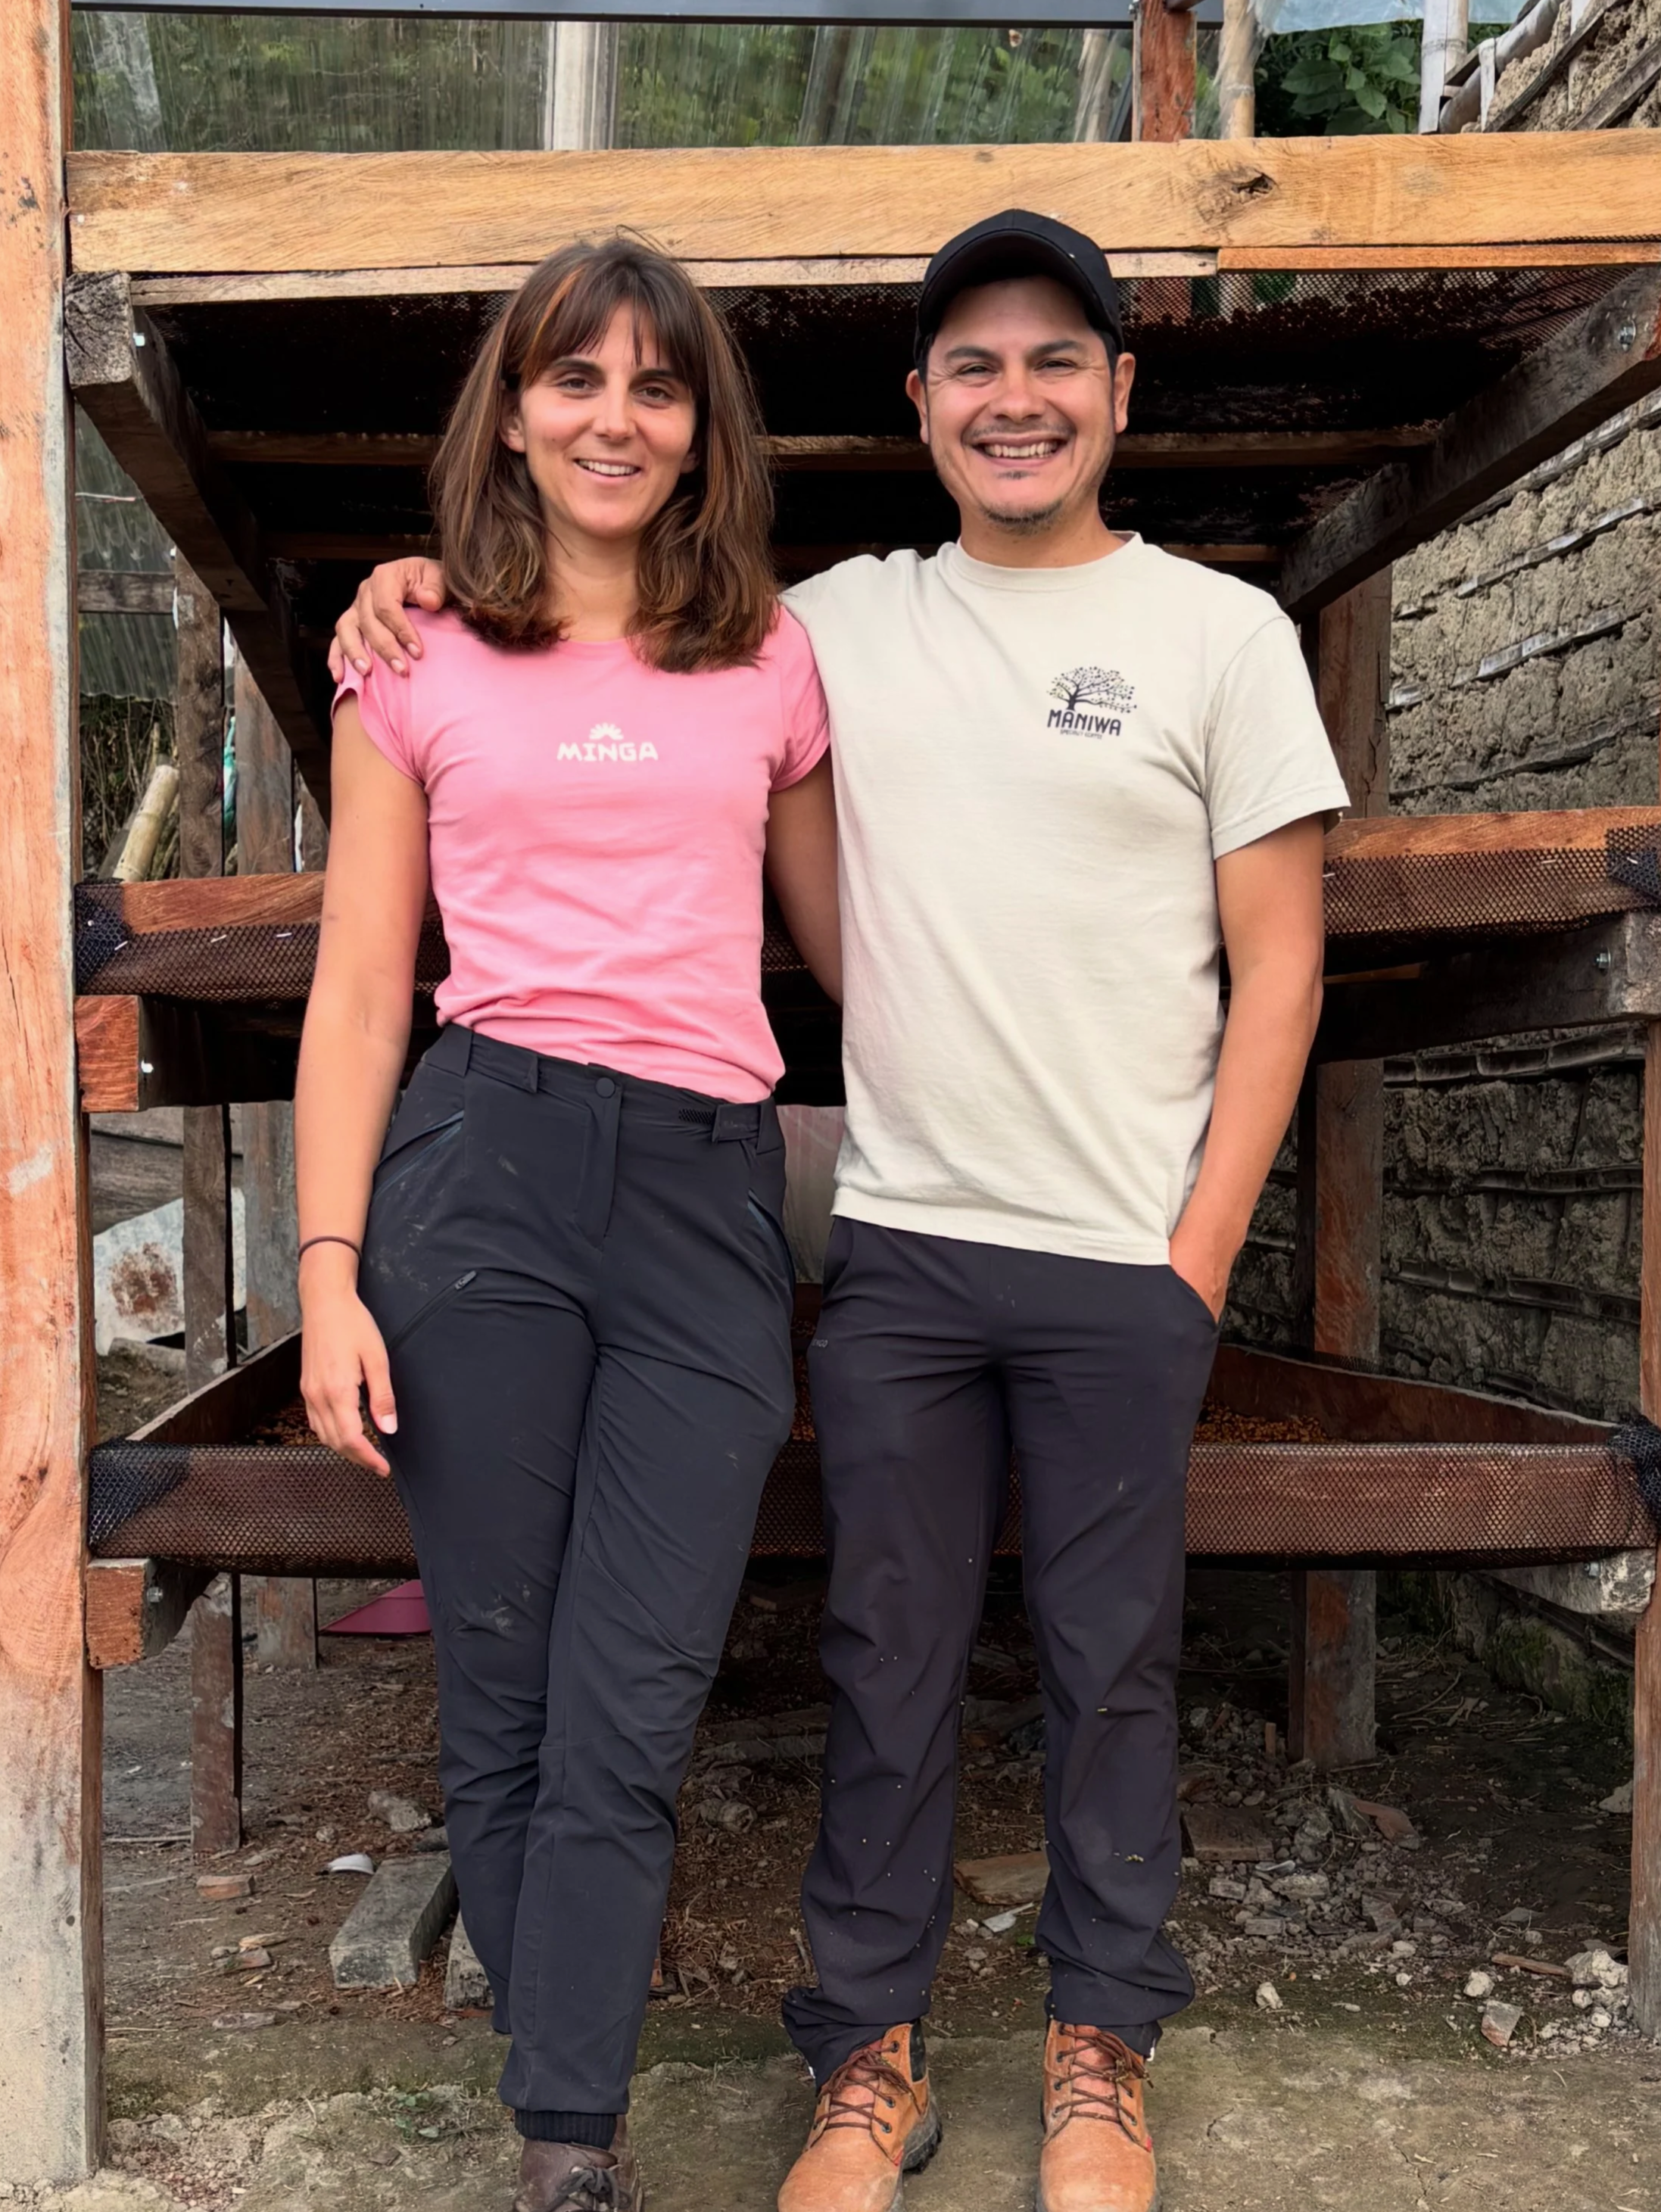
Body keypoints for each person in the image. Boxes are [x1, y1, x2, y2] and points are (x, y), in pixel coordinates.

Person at [333, 210, 1349, 2212]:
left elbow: (1255, 964)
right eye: (973, 362)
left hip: (1038, 1234)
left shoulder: (1159, 639)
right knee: (834, 1661)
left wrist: (1199, 1256)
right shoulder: (803, 625)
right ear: (919, 404)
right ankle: (758, 2092)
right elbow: (436, 880)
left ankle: (1096, 2049)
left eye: (1059, 359)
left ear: (1120, 393)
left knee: (1079, 1659)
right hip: (752, 1217)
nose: (1017, 396)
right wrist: (416, 585)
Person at [298, 235, 838, 2212]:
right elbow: (361, 986)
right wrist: (330, 1272)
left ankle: (558, 2094)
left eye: (658, 384)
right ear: (513, 409)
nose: (616, 417)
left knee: (635, 1690)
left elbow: (845, 943)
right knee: (509, 1686)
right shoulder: (411, 656)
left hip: (705, 1188)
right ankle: (570, 2147)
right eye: (575, 377)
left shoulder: (770, 655)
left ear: (703, 428)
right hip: (480, 1180)